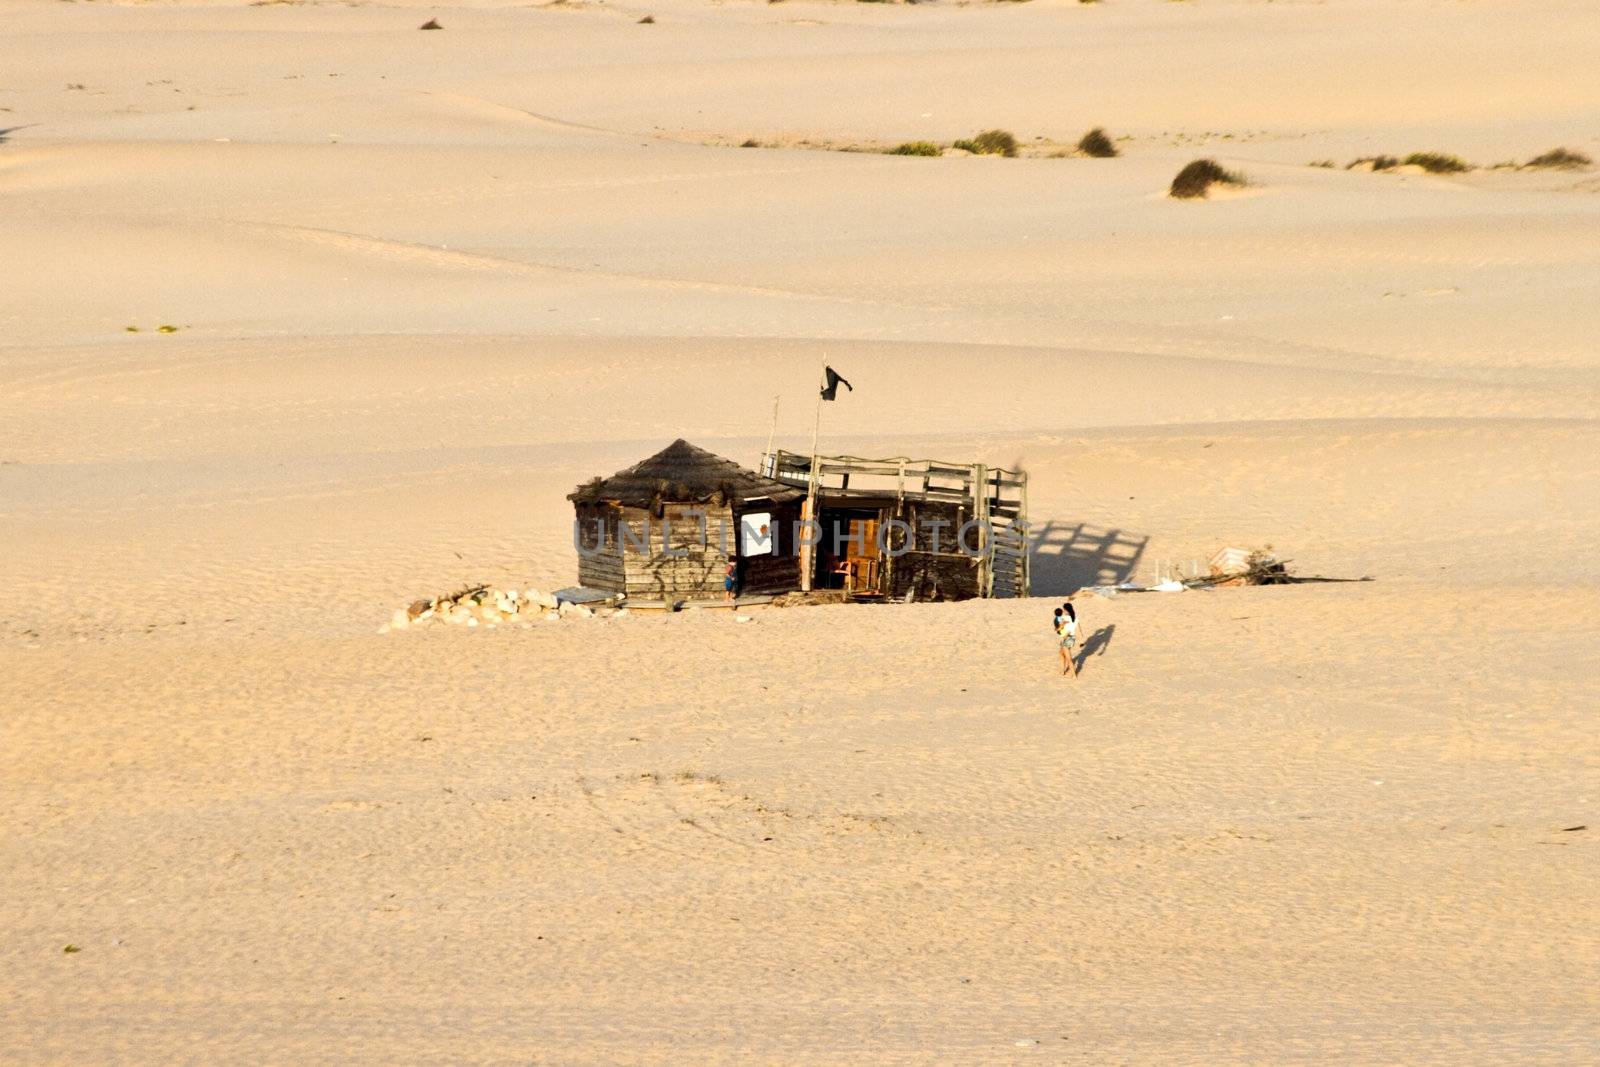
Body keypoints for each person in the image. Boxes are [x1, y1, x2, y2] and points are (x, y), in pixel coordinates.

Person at [1054, 601, 1079, 678]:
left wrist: (1059, 627)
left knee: (1068, 658)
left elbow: (1058, 629)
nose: (1063, 611)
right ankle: (1062, 670)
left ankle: (1074, 675)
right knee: (1061, 653)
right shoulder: (1075, 618)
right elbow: (1077, 629)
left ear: (1066, 610)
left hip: (1067, 638)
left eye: (1064, 610)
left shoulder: (1064, 618)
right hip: (1071, 638)